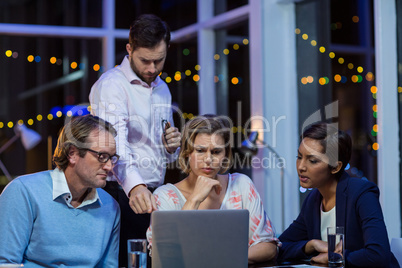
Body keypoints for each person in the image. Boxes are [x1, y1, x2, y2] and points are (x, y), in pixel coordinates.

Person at [89, 14, 181, 266]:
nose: (152, 68)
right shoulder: (112, 85)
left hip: (153, 192)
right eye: (145, 61)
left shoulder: (163, 88)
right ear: (129, 49)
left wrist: (171, 146)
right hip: (117, 192)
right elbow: (115, 144)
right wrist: (135, 186)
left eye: (159, 60)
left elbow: (163, 150)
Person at [146, 114, 280, 264]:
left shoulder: (241, 185)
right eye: (200, 151)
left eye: (216, 152)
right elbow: (166, 255)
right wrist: (194, 199)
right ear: (187, 153)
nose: (208, 159)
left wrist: (220, 259)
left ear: (225, 154)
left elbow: (269, 247)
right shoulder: (165, 196)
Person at [0, 115, 120, 267]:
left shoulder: (111, 207)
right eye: (102, 156)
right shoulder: (23, 191)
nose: (109, 166)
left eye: (112, 158)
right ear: (72, 154)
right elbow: (5, 263)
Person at [278, 122, 399, 267]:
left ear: (336, 167)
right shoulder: (313, 200)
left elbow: (378, 255)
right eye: (299, 157)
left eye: (312, 160)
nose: (301, 167)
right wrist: (311, 245)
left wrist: (335, 257)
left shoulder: (362, 193)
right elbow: (280, 247)